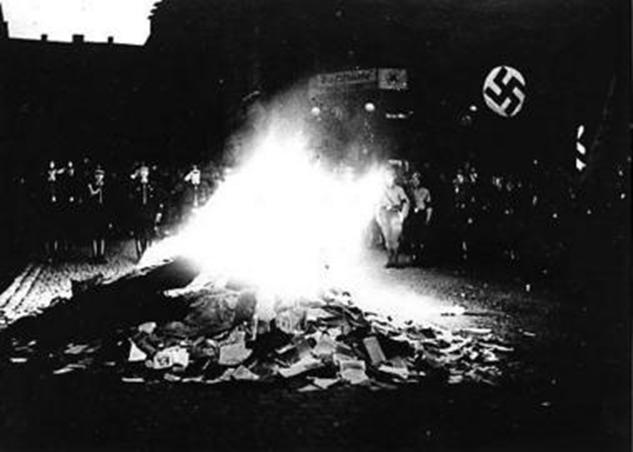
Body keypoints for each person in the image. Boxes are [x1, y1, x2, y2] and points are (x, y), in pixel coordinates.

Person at [375, 167, 410, 268]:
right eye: (387, 176)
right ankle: (390, 259)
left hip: (395, 214)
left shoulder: (399, 189)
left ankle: (396, 259)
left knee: (395, 237)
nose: (389, 178)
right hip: (384, 214)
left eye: (391, 176)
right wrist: (377, 216)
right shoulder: (381, 190)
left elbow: (406, 202)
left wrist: (403, 214)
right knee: (387, 238)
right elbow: (377, 204)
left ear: (394, 178)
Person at [130, 163, 160, 261]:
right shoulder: (135, 185)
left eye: (145, 171)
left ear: (148, 173)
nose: (143, 173)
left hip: (149, 214)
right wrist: (133, 177)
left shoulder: (152, 185)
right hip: (138, 214)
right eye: (141, 171)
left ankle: (146, 255)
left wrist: (158, 212)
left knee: (148, 235)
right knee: (139, 235)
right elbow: (130, 198)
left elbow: (157, 200)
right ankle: (139, 255)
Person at [406, 171, 433, 265]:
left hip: (421, 214)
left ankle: (422, 257)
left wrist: (428, 218)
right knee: (413, 235)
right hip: (413, 214)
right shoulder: (410, 191)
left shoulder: (425, 191)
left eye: (416, 179)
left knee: (421, 236)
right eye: (413, 179)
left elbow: (429, 206)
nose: (415, 181)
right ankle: (414, 256)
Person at [86, 166, 108, 262]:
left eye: (101, 174)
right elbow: (89, 198)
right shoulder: (92, 186)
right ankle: (94, 255)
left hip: (103, 213)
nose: (99, 177)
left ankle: (101, 255)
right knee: (94, 235)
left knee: (102, 234)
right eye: (97, 174)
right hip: (94, 213)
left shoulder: (106, 186)